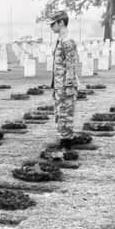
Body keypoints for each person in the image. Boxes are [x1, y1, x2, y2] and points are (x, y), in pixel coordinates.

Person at [50, 10, 79, 150]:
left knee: (66, 114)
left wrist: (69, 85)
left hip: (65, 85)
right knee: (60, 113)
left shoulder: (67, 41)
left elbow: (71, 64)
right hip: (59, 84)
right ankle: (64, 139)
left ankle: (67, 144)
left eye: (53, 23)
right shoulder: (61, 40)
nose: (51, 27)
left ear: (61, 22)